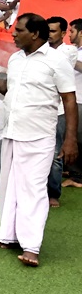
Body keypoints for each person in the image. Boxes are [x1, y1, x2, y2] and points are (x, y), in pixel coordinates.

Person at [0, 13, 77, 267]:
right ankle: (9, 235)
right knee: (10, 186)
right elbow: (8, 90)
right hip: (12, 132)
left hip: (40, 135)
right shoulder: (15, 59)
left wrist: (70, 140)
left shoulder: (57, 60)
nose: (12, 33)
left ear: (34, 34)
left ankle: (32, 246)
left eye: (18, 29)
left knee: (33, 188)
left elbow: (69, 100)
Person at [46, 16, 78, 206]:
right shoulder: (40, 52)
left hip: (59, 109)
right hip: (41, 110)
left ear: (64, 33)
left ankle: (53, 193)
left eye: (53, 31)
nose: (49, 35)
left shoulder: (69, 51)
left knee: (56, 154)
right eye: (47, 31)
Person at [62, 18, 82, 189]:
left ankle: (77, 177)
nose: (69, 34)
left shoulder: (75, 53)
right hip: (72, 99)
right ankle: (71, 169)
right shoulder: (74, 50)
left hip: (80, 100)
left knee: (77, 136)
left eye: (72, 31)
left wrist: (71, 60)